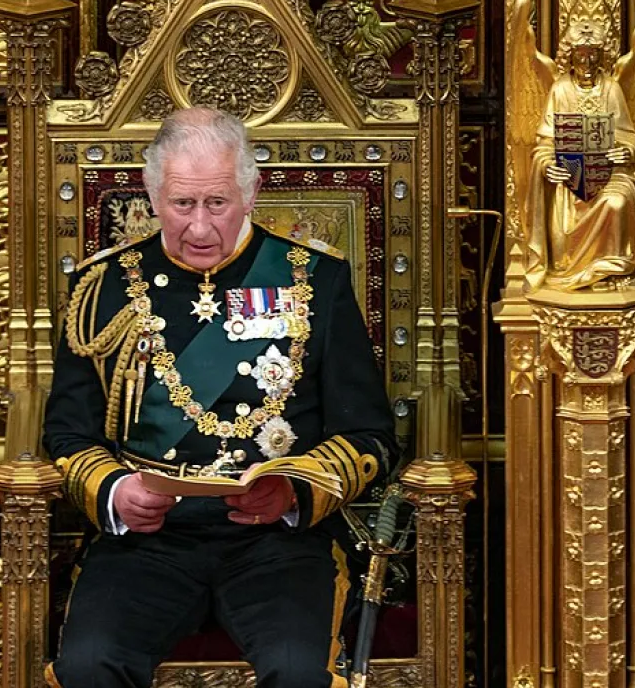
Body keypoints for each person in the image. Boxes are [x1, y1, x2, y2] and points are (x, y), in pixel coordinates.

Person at [43, 107, 397, 688]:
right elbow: (66, 434)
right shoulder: (103, 286)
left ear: (251, 192)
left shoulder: (314, 279)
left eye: (218, 204)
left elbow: (372, 439)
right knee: (87, 666)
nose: (201, 228)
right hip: (148, 544)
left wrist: (291, 492)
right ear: (153, 196)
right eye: (183, 205)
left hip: (277, 543)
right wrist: (114, 491)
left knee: (298, 672)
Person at [523, 21, 635, 291]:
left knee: (617, 202)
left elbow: (629, 137)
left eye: (593, 54)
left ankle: (611, 271)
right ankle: (572, 269)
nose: (587, 61)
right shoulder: (560, 90)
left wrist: (624, 151)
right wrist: (547, 165)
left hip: (610, 175)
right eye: (581, 54)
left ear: (602, 56)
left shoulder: (612, 89)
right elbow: (544, 144)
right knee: (565, 215)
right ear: (571, 55)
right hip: (571, 179)